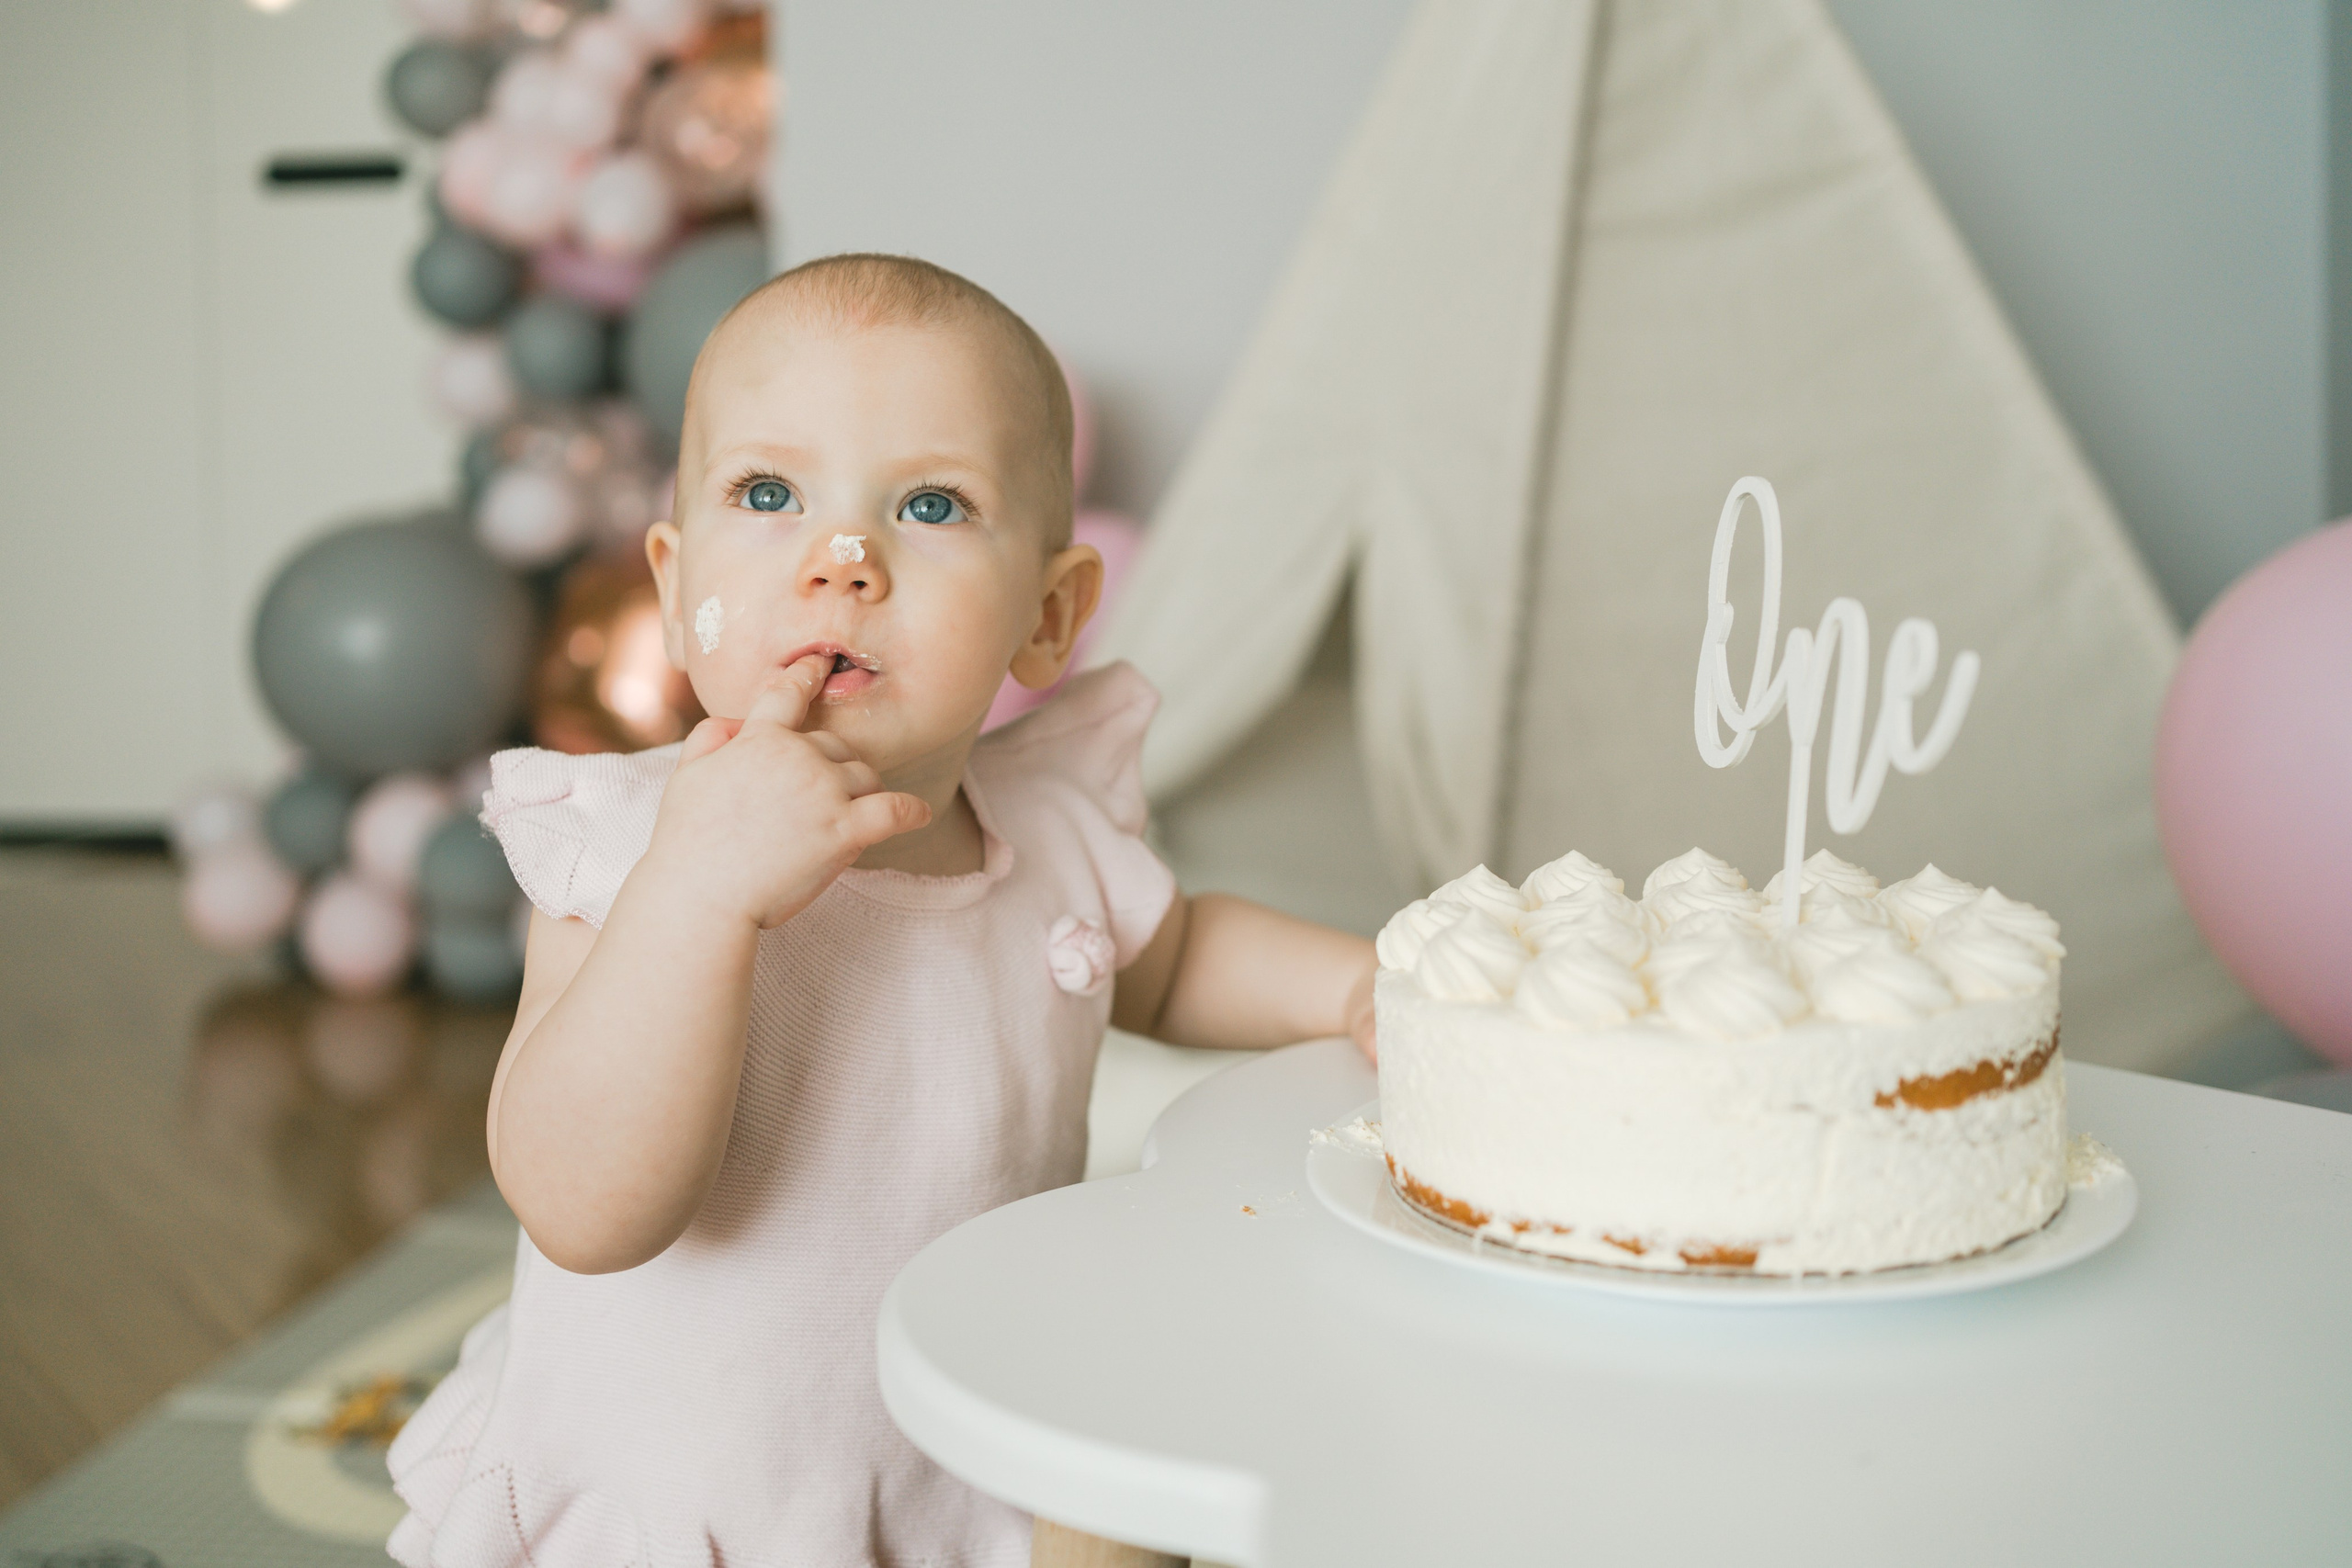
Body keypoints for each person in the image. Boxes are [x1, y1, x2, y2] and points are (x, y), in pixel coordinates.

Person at [388, 253, 1379, 1568]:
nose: (841, 560)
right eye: (768, 493)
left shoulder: (1050, 836)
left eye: (928, 503)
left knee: (1137, 1498)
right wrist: (704, 893)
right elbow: (585, 1208)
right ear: (680, 593)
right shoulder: (629, 853)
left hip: (944, 1459)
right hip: (695, 1492)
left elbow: (1181, 955)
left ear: (1048, 617)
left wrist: (1363, 988)